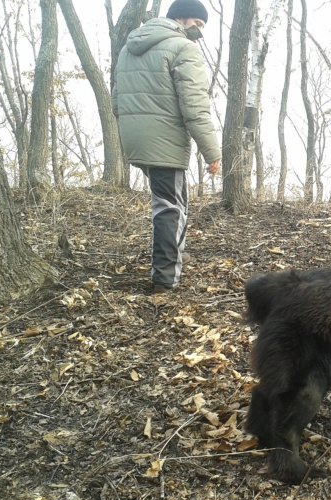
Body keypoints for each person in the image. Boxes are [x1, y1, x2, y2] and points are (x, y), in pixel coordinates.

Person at [112, 0, 221, 293]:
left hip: (138, 138)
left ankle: (174, 256)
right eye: (198, 24)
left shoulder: (129, 47)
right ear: (183, 19)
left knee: (176, 201)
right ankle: (164, 278)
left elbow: (116, 99)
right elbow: (195, 107)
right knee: (169, 207)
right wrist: (212, 152)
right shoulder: (183, 49)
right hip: (165, 140)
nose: (199, 32)